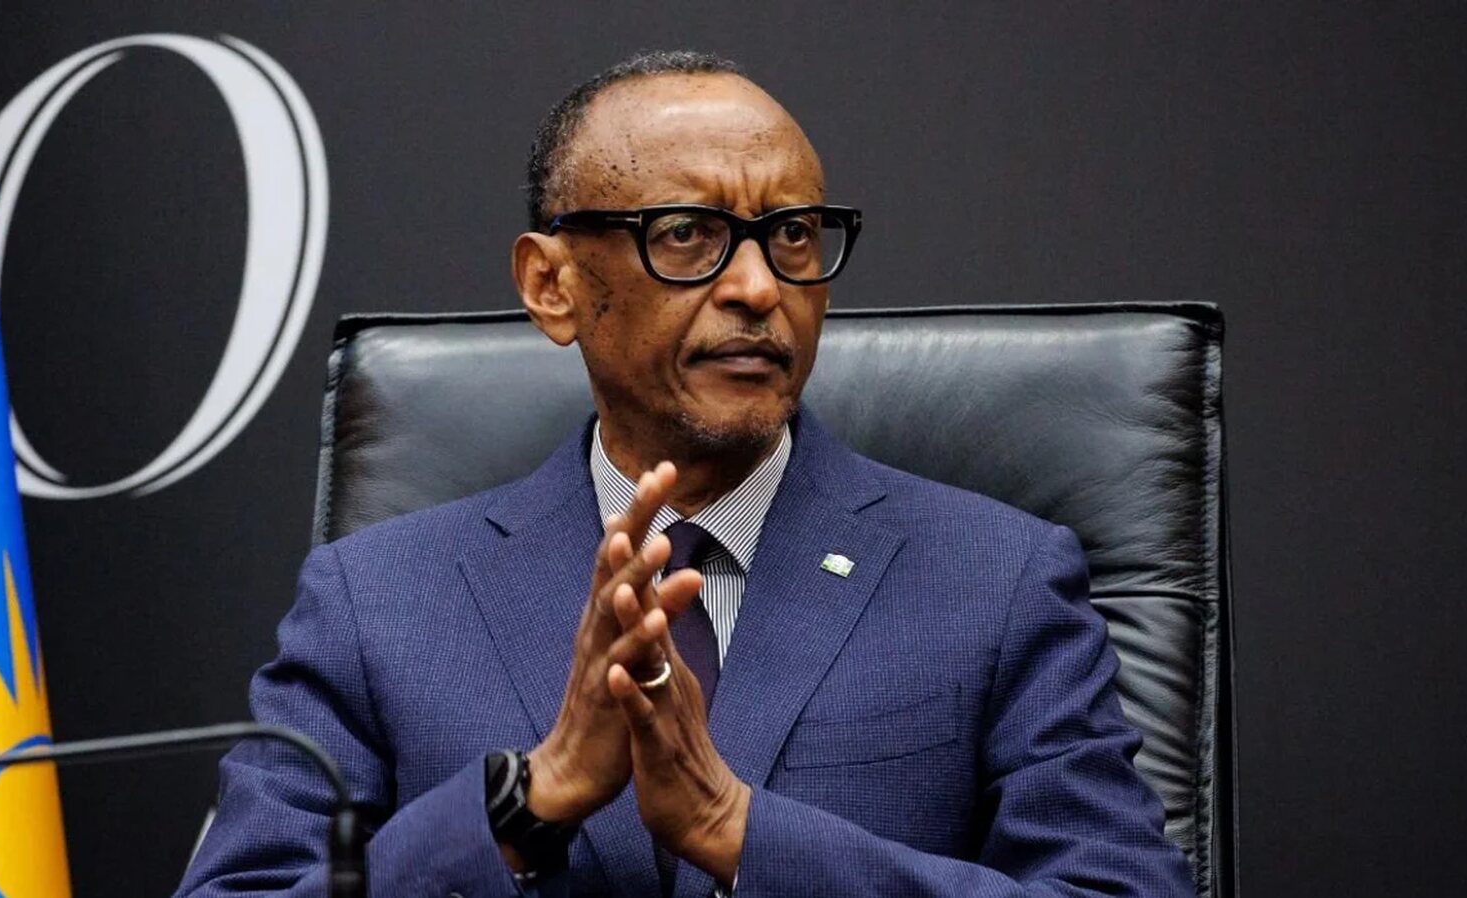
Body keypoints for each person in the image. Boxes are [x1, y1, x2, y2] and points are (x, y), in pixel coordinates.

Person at [176, 50, 1195, 898]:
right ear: (551, 286)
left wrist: (739, 830)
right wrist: (525, 802)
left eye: (791, 235)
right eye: (686, 236)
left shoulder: (997, 580)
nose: (757, 286)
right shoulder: (377, 602)